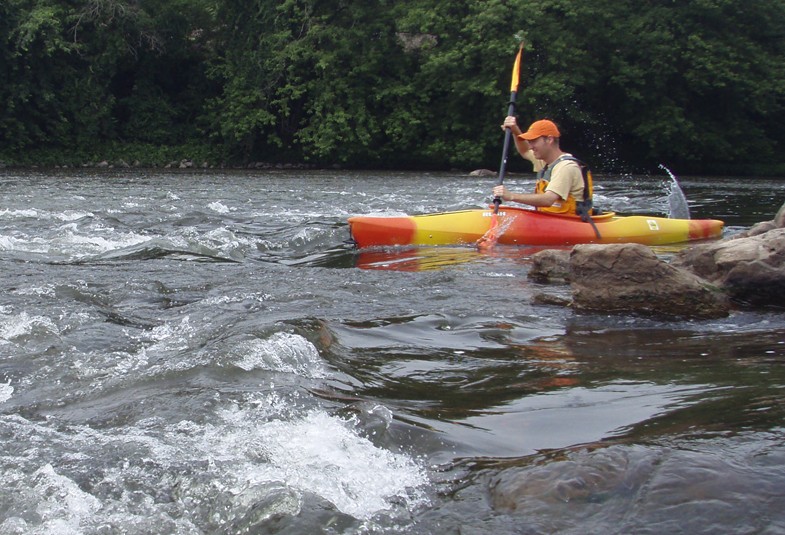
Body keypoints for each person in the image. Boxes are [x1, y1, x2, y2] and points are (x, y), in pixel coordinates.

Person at [493, 117, 586, 215]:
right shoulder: (544, 161)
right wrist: (515, 130)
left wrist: (511, 196)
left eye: (534, 141)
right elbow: (524, 151)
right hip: (551, 220)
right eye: (529, 142)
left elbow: (548, 200)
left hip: (570, 223)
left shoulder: (566, 167)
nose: (530, 146)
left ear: (549, 139)